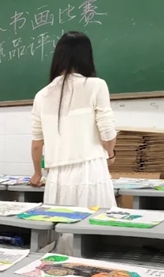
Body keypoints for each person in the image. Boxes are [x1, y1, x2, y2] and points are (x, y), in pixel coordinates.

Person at [29, 31, 117, 208]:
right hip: (90, 172)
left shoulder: (41, 95)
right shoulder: (96, 85)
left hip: (56, 177)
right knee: (95, 221)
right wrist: (110, 153)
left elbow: (37, 144)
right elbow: (107, 132)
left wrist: (37, 173)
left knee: (60, 222)